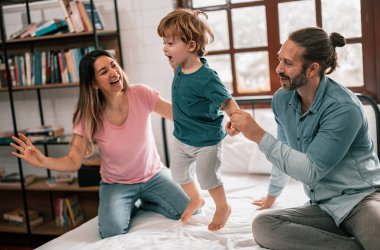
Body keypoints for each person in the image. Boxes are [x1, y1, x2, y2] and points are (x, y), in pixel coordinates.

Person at [10, 50, 190, 239]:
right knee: (112, 232)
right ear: (94, 83)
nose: (113, 72)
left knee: (190, 210)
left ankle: (147, 202)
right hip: (117, 185)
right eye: (103, 71)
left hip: (154, 176)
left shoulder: (141, 93)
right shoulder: (88, 116)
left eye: (113, 65)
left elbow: (179, 116)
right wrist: (43, 161)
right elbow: (73, 161)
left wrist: (204, 100)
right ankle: (133, 204)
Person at [228, 27, 380, 249]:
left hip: (361, 200)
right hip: (322, 206)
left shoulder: (343, 108)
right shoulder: (281, 100)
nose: (278, 68)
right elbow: (282, 149)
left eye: (287, 63)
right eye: (279, 59)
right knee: (264, 225)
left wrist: (258, 135)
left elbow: (310, 171)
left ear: (312, 69)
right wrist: (273, 194)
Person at [157, 8, 240, 231]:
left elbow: (228, 101)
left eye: (170, 43)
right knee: (178, 174)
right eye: (164, 42)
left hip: (206, 141)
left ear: (191, 46)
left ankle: (223, 206)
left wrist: (234, 118)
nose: (165, 48)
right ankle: (196, 199)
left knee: (207, 177)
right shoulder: (178, 67)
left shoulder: (207, 78)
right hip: (182, 138)